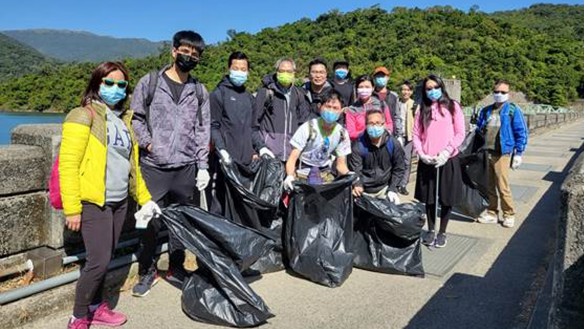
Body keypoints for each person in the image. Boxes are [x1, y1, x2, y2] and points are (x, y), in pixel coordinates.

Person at [60, 61, 160, 329]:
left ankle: (96, 306)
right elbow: (68, 164)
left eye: (121, 84)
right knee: (98, 261)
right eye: (109, 83)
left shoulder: (124, 120)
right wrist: (72, 208)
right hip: (95, 202)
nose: (115, 89)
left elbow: (133, 167)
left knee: (104, 259)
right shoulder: (83, 116)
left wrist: (146, 198)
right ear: (97, 84)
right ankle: (78, 318)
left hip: (119, 202)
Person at [131, 30, 210, 296]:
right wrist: (148, 143)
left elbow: (203, 129)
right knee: (151, 223)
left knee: (182, 222)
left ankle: (177, 267)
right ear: (174, 51)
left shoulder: (199, 91)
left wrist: (202, 165)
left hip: (186, 167)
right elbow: (136, 117)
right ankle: (148, 271)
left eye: (195, 54)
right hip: (154, 166)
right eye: (185, 51)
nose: (189, 57)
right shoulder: (151, 82)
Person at [210, 51, 272, 214]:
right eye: (236, 68)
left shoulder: (248, 98)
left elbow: (253, 128)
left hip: (245, 164)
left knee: (241, 207)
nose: (239, 72)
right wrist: (222, 150)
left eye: (243, 69)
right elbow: (213, 126)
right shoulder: (218, 94)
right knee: (221, 206)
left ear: (248, 71)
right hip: (225, 163)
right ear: (229, 69)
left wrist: (262, 147)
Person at [412, 74, 465, 248]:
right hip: (428, 159)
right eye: (428, 88)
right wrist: (421, 153)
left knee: (446, 197)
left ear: (441, 87)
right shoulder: (422, 109)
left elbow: (460, 133)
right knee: (429, 198)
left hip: (447, 159)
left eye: (435, 87)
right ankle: (431, 229)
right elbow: (416, 134)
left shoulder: (453, 106)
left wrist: (447, 152)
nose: (432, 91)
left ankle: (442, 231)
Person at [475, 79, 528, 228]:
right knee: (489, 185)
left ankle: (509, 213)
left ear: (508, 94)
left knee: (502, 185)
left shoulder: (513, 110)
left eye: (503, 92)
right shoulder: (486, 110)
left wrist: (519, 153)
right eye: (497, 92)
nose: (499, 94)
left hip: (502, 153)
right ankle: (492, 212)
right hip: (487, 152)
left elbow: (521, 132)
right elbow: (479, 130)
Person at [284, 89, 351, 188]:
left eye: (335, 108)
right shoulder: (308, 127)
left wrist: (350, 176)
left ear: (341, 111)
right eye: (328, 107)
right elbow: (293, 158)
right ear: (320, 107)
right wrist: (289, 176)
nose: (331, 111)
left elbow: (340, 165)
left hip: (325, 174)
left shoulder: (342, 133)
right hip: (303, 173)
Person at [255, 57, 312, 162]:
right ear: (276, 72)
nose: (285, 74)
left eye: (289, 71)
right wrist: (259, 148)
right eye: (282, 71)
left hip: (293, 156)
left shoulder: (299, 94)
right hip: (269, 154)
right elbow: (254, 124)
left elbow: (303, 124)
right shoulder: (266, 93)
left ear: (294, 73)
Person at [349, 109, 406, 202]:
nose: (374, 126)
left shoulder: (393, 144)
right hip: (364, 191)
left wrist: (393, 189)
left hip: (385, 189)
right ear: (366, 126)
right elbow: (355, 170)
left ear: (384, 124)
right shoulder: (358, 145)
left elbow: (399, 168)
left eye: (378, 123)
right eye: (371, 123)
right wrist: (357, 184)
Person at [345, 74, 394, 141]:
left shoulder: (381, 104)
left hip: (382, 144)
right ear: (356, 89)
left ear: (373, 88)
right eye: (361, 87)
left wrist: (386, 132)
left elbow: (389, 123)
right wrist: (368, 132)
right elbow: (351, 133)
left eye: (367, 87)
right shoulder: (352, 110)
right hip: (361, 147)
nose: (364, 89)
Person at [395, 80, 417, 195]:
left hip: (409, 136)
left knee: (407, 161)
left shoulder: (414, 104)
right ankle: (395, 183)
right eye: (403, 89)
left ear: (411, 92)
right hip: (397, 135)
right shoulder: (397, 103)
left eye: (408, 90)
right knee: (396, 160)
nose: (405, 92)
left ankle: (403, 184)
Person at [372, 66, 400, 135]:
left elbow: (397, 117)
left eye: (383, 76)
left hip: (390, 133)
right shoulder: (370, 95)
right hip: (373, 132)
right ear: (374, 79)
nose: (380, 78)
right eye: (378, 76)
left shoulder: (394, 96)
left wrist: (399, 134)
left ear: (387, 78)